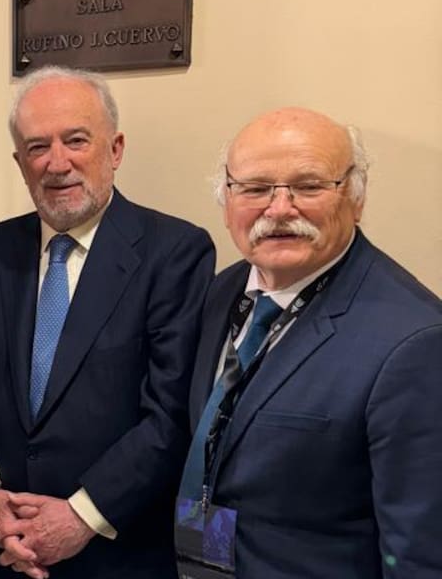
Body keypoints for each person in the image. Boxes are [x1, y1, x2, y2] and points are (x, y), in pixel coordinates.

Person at [0, 66, 215, 578]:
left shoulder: (175, 253)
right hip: (13, 552)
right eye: (37, 147)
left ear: (115, 150)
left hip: (121, 554)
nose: (57, 163)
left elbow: (170, 413)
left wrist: (80, 516)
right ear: (19, 162)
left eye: (76, 140)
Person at [177, 108, 442, 578]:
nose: (279, 209)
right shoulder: (221, 292)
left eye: (309, 186)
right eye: (255, 188)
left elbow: (420, 555)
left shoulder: (415, 341)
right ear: (227, 199)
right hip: (204, 559)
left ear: (356, 198)